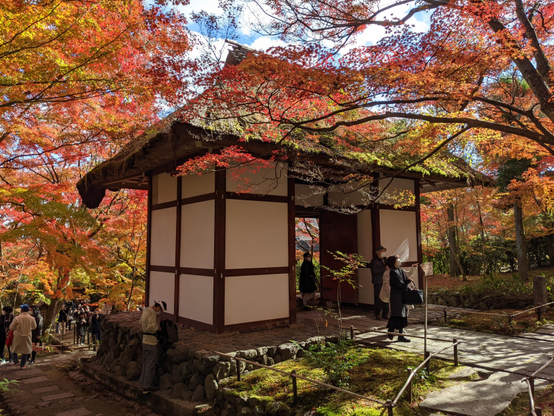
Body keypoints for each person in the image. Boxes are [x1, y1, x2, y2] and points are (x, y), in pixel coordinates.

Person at [139, 300, 167, 394]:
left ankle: (142, 382)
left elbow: (141, 322)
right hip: (151, 341)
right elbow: (150, 327)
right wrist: (158, 328)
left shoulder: (146, 310)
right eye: (160, 310)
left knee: (145, 362)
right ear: (158, 307)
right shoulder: (152, 312)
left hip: (144, 340)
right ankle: (146, 386)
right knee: (150, 364)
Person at [386, 255, 414, 343]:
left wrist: (408, 281)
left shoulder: (400, 270)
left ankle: (399, 334)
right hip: (396, 296)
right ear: (393, 262)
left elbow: (404, 281)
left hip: (402, 295)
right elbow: (400, 284)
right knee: (397, 314)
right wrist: (407, 282)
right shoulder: (393, 272)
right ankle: (392, 331)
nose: (399, 260)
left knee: (402, 315)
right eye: (397, 259)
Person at [10, 304, 36, 368]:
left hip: (17, 336)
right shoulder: (32, 318)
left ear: (21, 310)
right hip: (27, 336)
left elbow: (11, 328)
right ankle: (23, 364)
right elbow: (34, 327)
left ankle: (16, 362)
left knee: (13, 349)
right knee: (26, 350)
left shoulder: (17, 318)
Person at [369, 245, 389, 320]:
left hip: (385, 281)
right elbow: (375, 271)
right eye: (382, 251)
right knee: (379, 298)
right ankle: (377, 313)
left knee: (386, 298)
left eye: (384, 251)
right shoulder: (374, 261)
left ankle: (385, 314)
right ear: (378, 253)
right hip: (378, 282)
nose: (383, 253)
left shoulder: (386, 260)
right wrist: (384, 268)